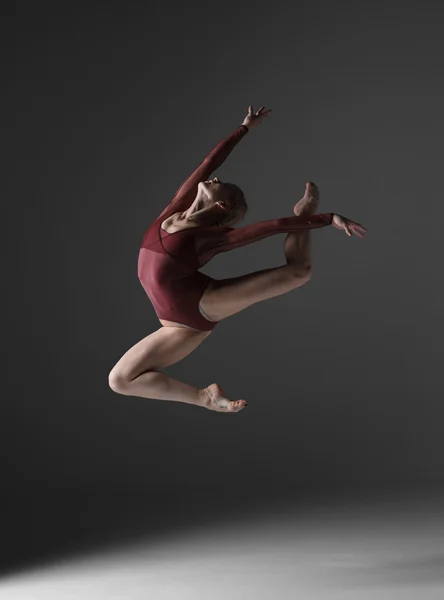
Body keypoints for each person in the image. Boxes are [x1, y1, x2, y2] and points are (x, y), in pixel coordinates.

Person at [108, 106, 366, 413]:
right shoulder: (173, 211)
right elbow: (209, 163)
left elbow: (267, 229)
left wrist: (327, 218)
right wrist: (243, 128)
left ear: (220, 204)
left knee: (299, 272)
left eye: (220, 183)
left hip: (196, 307)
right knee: (120, 380)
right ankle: (205, 397)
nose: (214, 178)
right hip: (173, 323)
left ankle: (304, 214)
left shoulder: (206, 240)